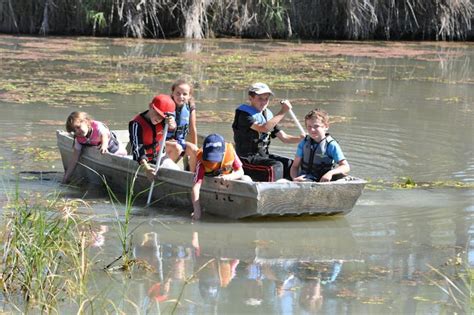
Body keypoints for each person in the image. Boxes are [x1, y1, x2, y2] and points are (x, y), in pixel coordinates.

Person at [232, 82, 305, 182]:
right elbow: (264, 128)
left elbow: (284, 138)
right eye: (260, 99)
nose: (264, 102)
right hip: (246, 159)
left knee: (290, 164)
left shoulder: (268, 115)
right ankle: (272, 191)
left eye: (266, 99)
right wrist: (283, 111)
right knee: (276, 166)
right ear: (251, 98)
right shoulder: (244, 114)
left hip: (262, 157)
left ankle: (293, 188)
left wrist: (301, 139)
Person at [191, 133, 252, 220]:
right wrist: (197, 210)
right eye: (209, 158)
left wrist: (230, 177)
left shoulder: (230, 152)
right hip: (211, 179)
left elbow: (240, 171)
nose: (212, 161)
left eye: (215, 157)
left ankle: (247, 207)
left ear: (223, 152)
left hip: (228, 180)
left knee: (246, 178)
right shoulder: (202, 161)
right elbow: (196, 186)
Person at [62, 111, 127, 184]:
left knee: (122, 163)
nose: (77, 132)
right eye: (74, 130)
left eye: (78, 127)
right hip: (102, 158)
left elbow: (104, 135)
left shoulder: (97, 126)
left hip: (116, 150)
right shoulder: (79, 139)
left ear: (86, 122)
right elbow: (74, 159)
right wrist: (66, 178)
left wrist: (104, 145)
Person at [129, 94, 179, 182]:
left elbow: (172, 132)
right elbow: (137, 150)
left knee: (177, 172)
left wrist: (172, 125)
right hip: (143, 162)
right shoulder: (136, 124)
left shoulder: (164, 121)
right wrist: (147, 169)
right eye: (157, 113)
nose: (159, 118)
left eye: (162, 116)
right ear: (150, 106)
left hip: (160, 157)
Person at [290, 109, 350, 182]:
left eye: (316, 126)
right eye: (309, 126)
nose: (312, 130)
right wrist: (294, 179)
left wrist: (330, 173)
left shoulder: (331, 145)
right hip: (304, 178)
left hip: (323, 180)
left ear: (326, 126)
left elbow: (346, 166)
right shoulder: (304, 143)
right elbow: (294, 166)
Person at [165, 78, 198, 172]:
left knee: (195, 150)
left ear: (189, 96)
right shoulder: (166, 104)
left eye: (184, 94)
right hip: (163, 143)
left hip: (179, 141)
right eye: (178, 93)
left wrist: (194, 150)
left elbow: (192, 129)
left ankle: (192, 177)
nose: (181, 96)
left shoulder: (190, 106)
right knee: (177, 148)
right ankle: (165, 171)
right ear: (172, 93)